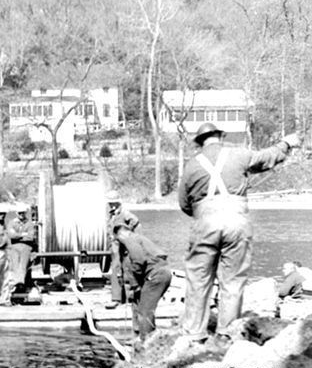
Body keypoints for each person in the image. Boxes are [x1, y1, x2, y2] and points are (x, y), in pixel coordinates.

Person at [176, 122, 301, 347]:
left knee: (198, 279)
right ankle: (226, 334)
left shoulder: (192, 165)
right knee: (233, 280)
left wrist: (204, 211)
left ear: (200, 142)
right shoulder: (238, 154)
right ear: (220, 137)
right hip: (237, 222)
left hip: (204, 223)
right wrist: (287, 143)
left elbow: (184, 204)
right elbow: (267, 157)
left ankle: (194, 334)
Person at [113, 223, 172, 341]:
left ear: (121, 234)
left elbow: (138, 260)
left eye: (117, 238)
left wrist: (135, 284)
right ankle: (140, 336)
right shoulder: (138, 239)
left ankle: (147, 342)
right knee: (138, 304)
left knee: (144, 310)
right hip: (157, 273)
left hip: (156, 275)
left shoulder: (130, 239)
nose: (117, 242)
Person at [104, 190, 140, 309]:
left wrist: (127, 232)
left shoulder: (125, 213)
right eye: (110, 203)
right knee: (116, 270)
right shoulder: (111, 215)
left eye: (114, 203)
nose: (112, 205)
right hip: (114, 247)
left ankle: (127, 297)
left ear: (119, 203)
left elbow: (135, 221)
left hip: (123, 246)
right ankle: (118, 298)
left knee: (126, 269)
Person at [6, 204, 37, 292]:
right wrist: (23, 234)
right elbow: (11, 235)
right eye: (20, 213)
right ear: (16, 213)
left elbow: (31, 237)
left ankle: (21, 285)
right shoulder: (12, 223)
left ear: (25, 213)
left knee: (23, 266)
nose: (21, 215)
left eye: (23, 213)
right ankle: (18, 284)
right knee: (15, 266)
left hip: (26, 247)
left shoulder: (29, 223)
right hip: (14, 248)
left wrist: (17, 235)